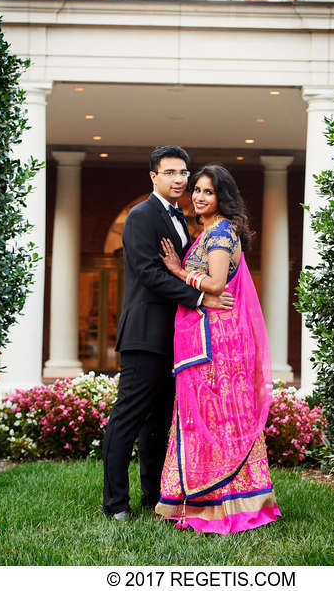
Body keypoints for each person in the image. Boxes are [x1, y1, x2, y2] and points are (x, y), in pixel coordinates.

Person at [102, 146, 235, 521]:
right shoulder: (141, 216)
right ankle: (115, 505)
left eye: (183, 173)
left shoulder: (183, 218)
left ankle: (153, 497)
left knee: (158, 422)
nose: (180, 179)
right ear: (153, 176)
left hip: (174, 338)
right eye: (171, 172)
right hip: (144, 335)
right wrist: (200, 297)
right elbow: (149, 273)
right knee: (127, 419)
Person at [155, 164, 281, 534]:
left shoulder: (222, 233)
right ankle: (196, 498)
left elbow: (214, 284)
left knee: (217, 416)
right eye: (196, 189)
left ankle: (223, 504)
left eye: (207, 192)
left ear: (221, 197)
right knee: (202, 417)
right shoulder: (209, 231)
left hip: (217, 344)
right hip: (206, 339)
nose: (198, 196)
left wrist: (179, 271)